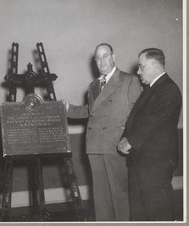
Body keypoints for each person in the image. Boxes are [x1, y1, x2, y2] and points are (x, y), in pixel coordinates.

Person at [63, 43, 142, 221]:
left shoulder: (129, 80)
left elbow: (138, 113)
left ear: (113, 57)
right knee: (100, 199)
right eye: (98, 58)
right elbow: (89, 111)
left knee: (119, 196)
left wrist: (128, 137)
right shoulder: (93, 85)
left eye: (105, 56)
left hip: (116, 145)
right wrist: (68, 108)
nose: (101, 61)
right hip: (94, 145)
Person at [118, 48, 182, 221]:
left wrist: (131, 140)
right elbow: (135, 118)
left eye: (141, 67)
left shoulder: (168, 89)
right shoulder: (151, 88)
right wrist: (125, 136)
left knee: (158, 213)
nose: (138, 72)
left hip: (155, 164)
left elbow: (155, 122)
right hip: (141, 161)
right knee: (140, 213)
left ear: (154, 65)